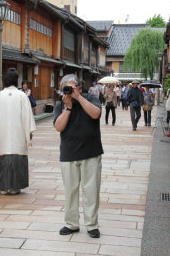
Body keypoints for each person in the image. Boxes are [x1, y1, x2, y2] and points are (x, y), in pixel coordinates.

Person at [53, 74, 103, 239]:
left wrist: (79, 98)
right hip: (69, 153)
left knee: (91, 191)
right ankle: (71, 224)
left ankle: (92, 225)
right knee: (70, 191)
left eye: (72, 87)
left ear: (79, 88)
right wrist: (68, 108)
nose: (69, 92)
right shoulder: (60, 105)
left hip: (91, 152)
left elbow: (96, 114)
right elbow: (58, 127)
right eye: (65, 89)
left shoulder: (90, 98)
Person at [0, 68, 36, 195]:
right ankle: (16, 187)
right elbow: (27, 116)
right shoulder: (22, 96)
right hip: (19, 132)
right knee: (17, 156)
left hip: (3, 132)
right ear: (16, 81)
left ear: (5, 80)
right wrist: (29, 132)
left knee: (4, 157)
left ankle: (3, 187)